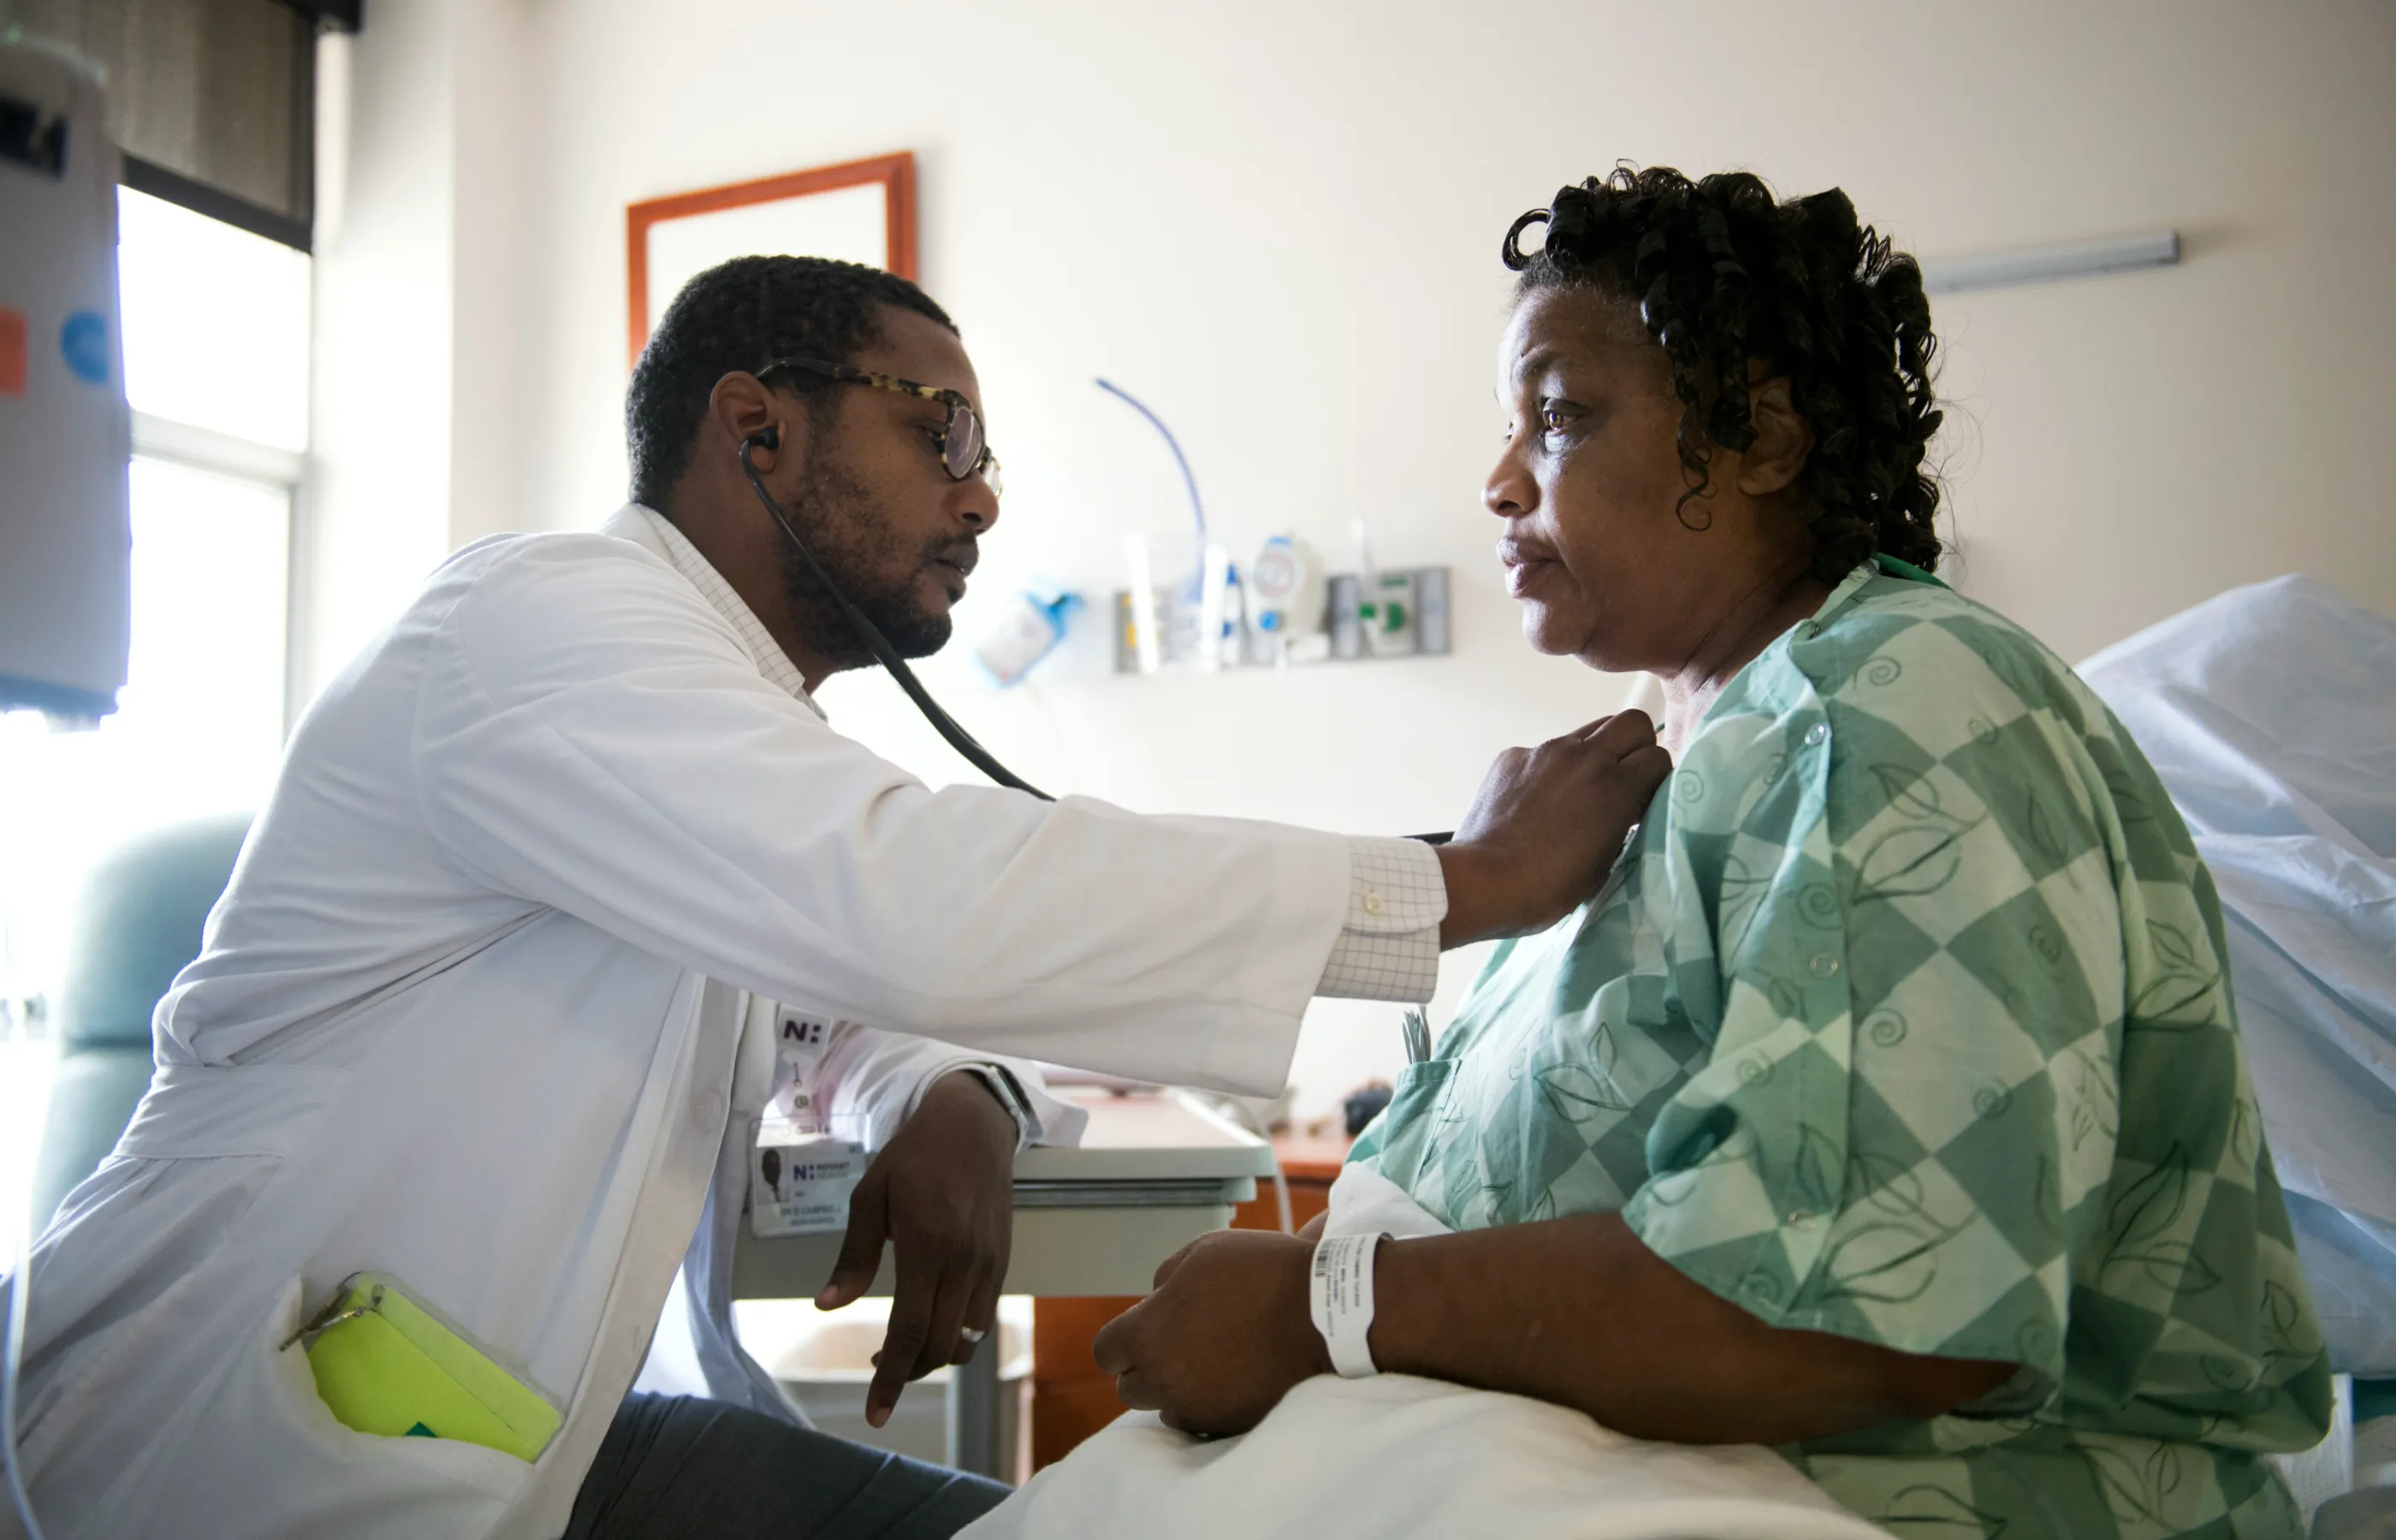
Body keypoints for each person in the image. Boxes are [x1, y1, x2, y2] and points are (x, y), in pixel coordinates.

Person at [3, 256, 1669, 1540]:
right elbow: (896, 897)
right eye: (939, 429)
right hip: (218, 1441)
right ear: (757, 430)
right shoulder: (542, 624)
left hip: (485, 1425)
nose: (982, 493)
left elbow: (812, 988)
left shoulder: (708, 728)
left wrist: (937, 1084)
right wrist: (1452, 886)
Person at [1092, 167, 2334, 1539]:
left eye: (1557, 417)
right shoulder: (1675, 767)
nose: (1501, 482)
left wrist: (1327, 1306)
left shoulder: (1887, 710)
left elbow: (1870, 1315)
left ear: (1767, 436)